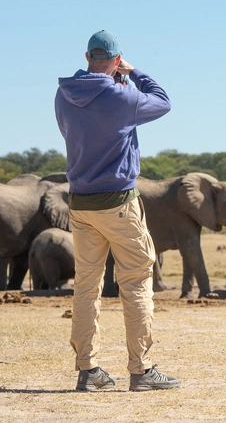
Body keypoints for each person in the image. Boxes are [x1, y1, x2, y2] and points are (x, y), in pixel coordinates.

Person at [55, 30, 180, 391]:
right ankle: (141, 370)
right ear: (116, 59)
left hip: (79, 203)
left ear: (86, 56)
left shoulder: (63, 94)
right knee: (136, 281)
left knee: (86, 285)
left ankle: (87, 370)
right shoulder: (122, 94)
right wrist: (134, 72)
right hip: (119, 204)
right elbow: (162, 101)